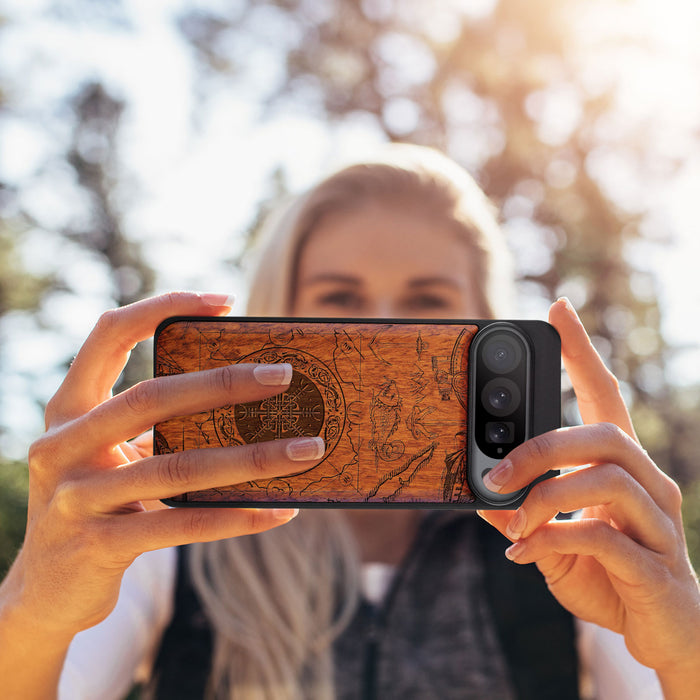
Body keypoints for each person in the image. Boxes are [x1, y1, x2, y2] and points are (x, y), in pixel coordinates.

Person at [0, 145, 698, 700]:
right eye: (340, 298)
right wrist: (34, 607)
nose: (383, 329)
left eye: (428, 302)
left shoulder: (567, 543)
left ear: (486, 324)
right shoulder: (170, 535)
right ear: (278, 314)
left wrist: (685, 648)